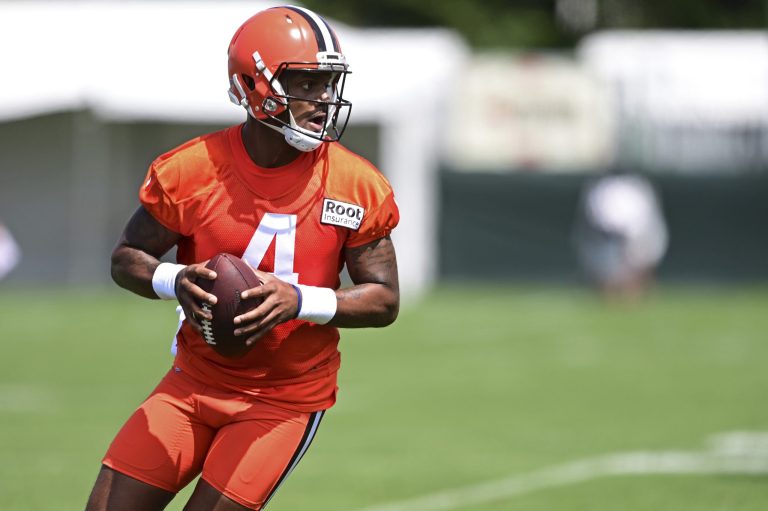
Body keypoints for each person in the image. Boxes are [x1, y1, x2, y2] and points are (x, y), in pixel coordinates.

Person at [85, 6, 400, 511]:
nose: (324, 100)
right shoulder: (190, 169)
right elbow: (127, 257)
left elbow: (384, 300)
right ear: (253, 85)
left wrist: (298, 299)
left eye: (329, 84)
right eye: (308, 83)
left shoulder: (355, 183)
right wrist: (174, 278)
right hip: (192, 381)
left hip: (283, 400)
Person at [573, 172, 668, 301]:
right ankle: (613, 294)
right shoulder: (606, 191)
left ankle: (634, 294)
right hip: (610, 234)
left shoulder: (636, 190)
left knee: (639, 262)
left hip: (635, 232)